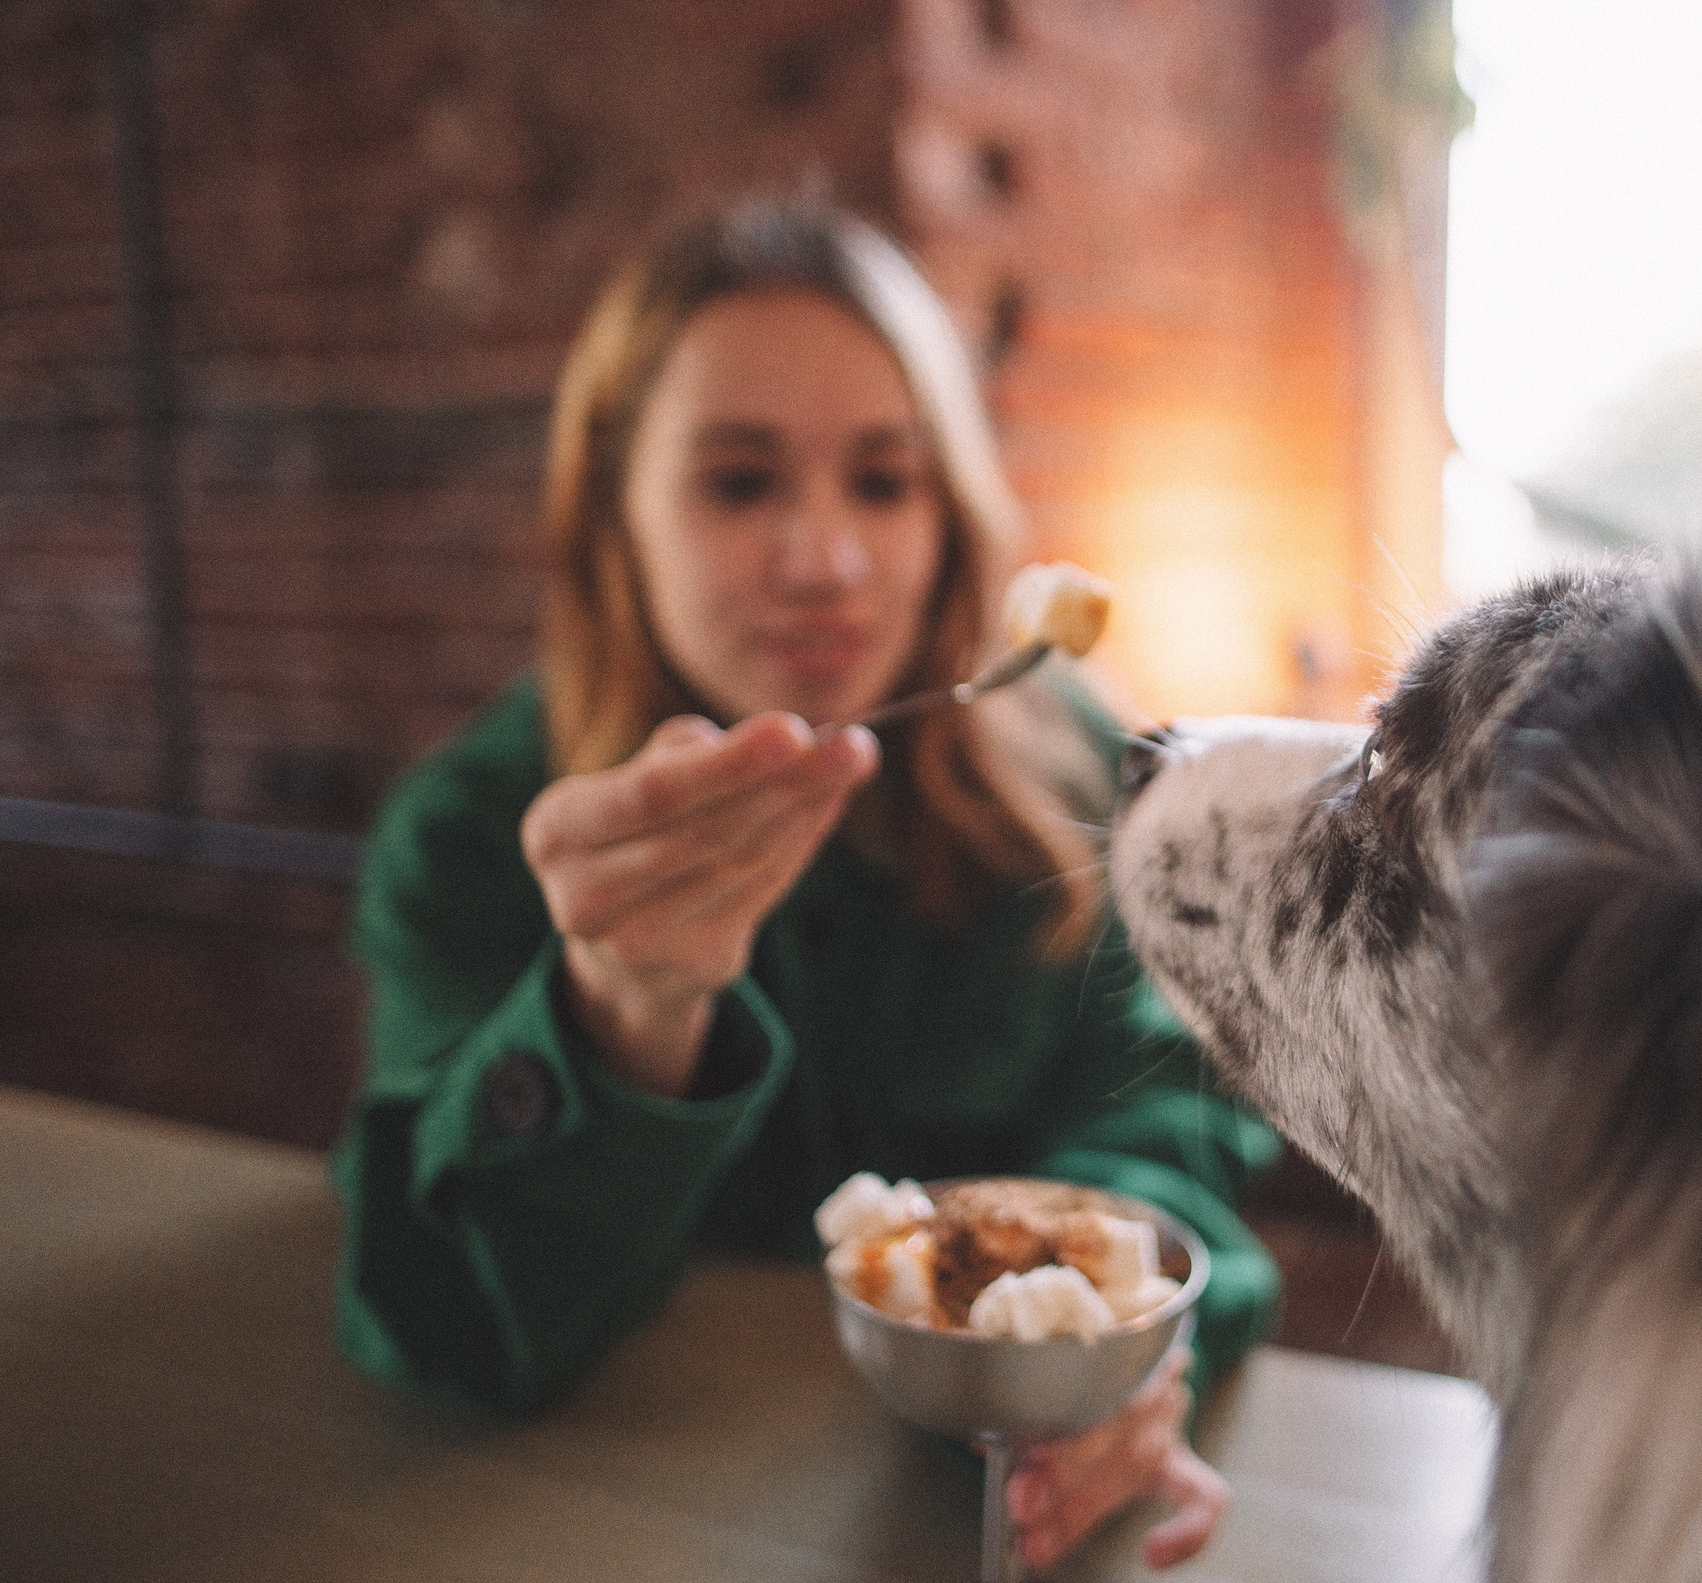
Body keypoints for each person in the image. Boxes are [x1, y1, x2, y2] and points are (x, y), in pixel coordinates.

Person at [330, 198, 1282, 1573]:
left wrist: (1102, 1335)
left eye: (884, 483)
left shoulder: (1071, 776)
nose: (827, 563)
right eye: (739, 484)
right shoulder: (472, 837)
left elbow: (1165, 1122)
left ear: (949, 513)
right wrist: (620, 1015)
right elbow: (445, 1324)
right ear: (614, 512)